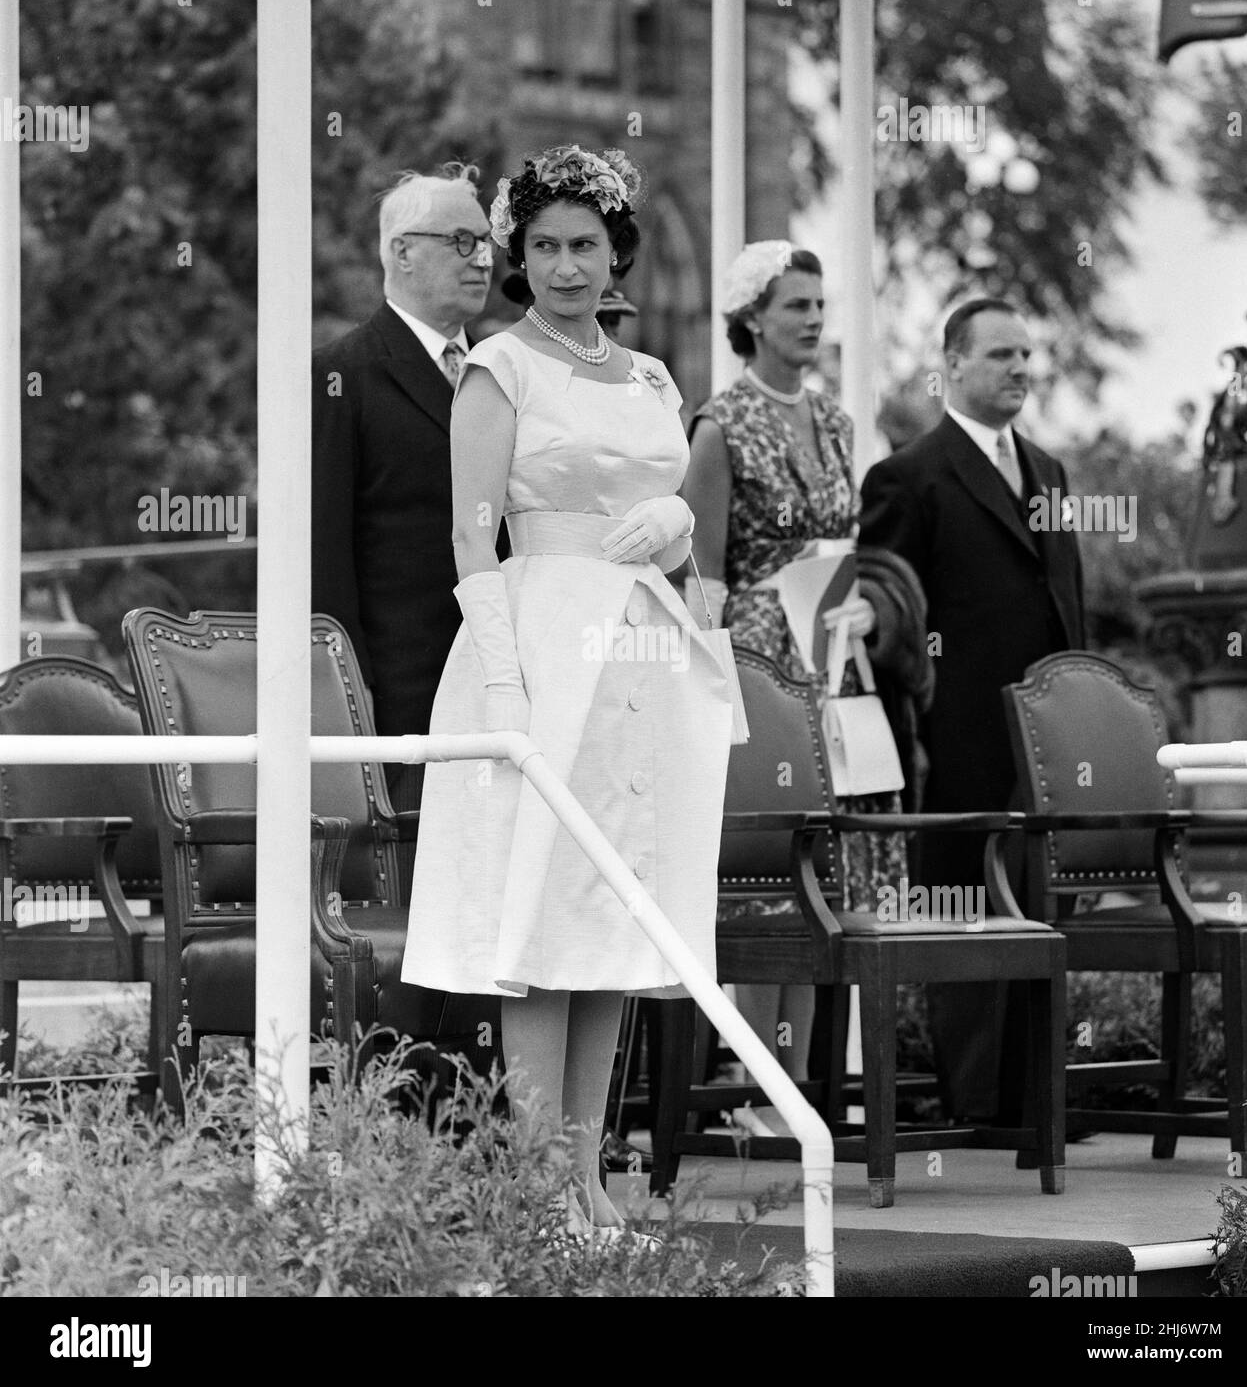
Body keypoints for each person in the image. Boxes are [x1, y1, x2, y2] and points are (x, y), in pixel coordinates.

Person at [400, 146, 734, 1237]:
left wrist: (681, 530)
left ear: (615, 251)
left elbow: (677, 525)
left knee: (614, 913)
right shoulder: (501, 366)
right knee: (540, 911)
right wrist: (503, 676)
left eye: (583, 245)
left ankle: (591, 1180)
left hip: (640, 649)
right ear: (518, 257)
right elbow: (469, 530)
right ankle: (541, 1188)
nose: (564, 266)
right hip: (541, 645)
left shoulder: (648, 378)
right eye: (541, 246)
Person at [680, 241, 932, 1138]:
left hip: (836, 660)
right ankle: (757, 1094)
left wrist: (865, 606)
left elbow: (848, 544)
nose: (815, 320)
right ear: (752, 318)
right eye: (796, 306)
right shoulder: (717, 424)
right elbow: (700, 573)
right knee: (766, 876)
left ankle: (812, 1091)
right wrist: (711, 681)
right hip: (758, 666)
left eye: (820, 305)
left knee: (832, 868)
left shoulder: (835, 422)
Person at [857, 297, 1085, 1125]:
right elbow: (887, 624)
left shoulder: (1052, 474)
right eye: (1000, 356)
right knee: (961, 916)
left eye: (1026, 355)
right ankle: (975, 1109)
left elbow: (1067, 603)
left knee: (1039, 917)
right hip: (952, 744)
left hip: (1043, 745)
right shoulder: (906, 477)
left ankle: (1036, 1105)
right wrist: (905, 745)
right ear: (951, 364)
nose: (1019, 369)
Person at [312, 164, 493, 813]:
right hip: (397, 703)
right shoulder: (341, 375)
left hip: (503, 685)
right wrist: (346, 696)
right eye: (462, 242)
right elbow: (324, 555)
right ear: (403, 252)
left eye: (488, 242)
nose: (483, 261)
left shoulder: (504, 376)